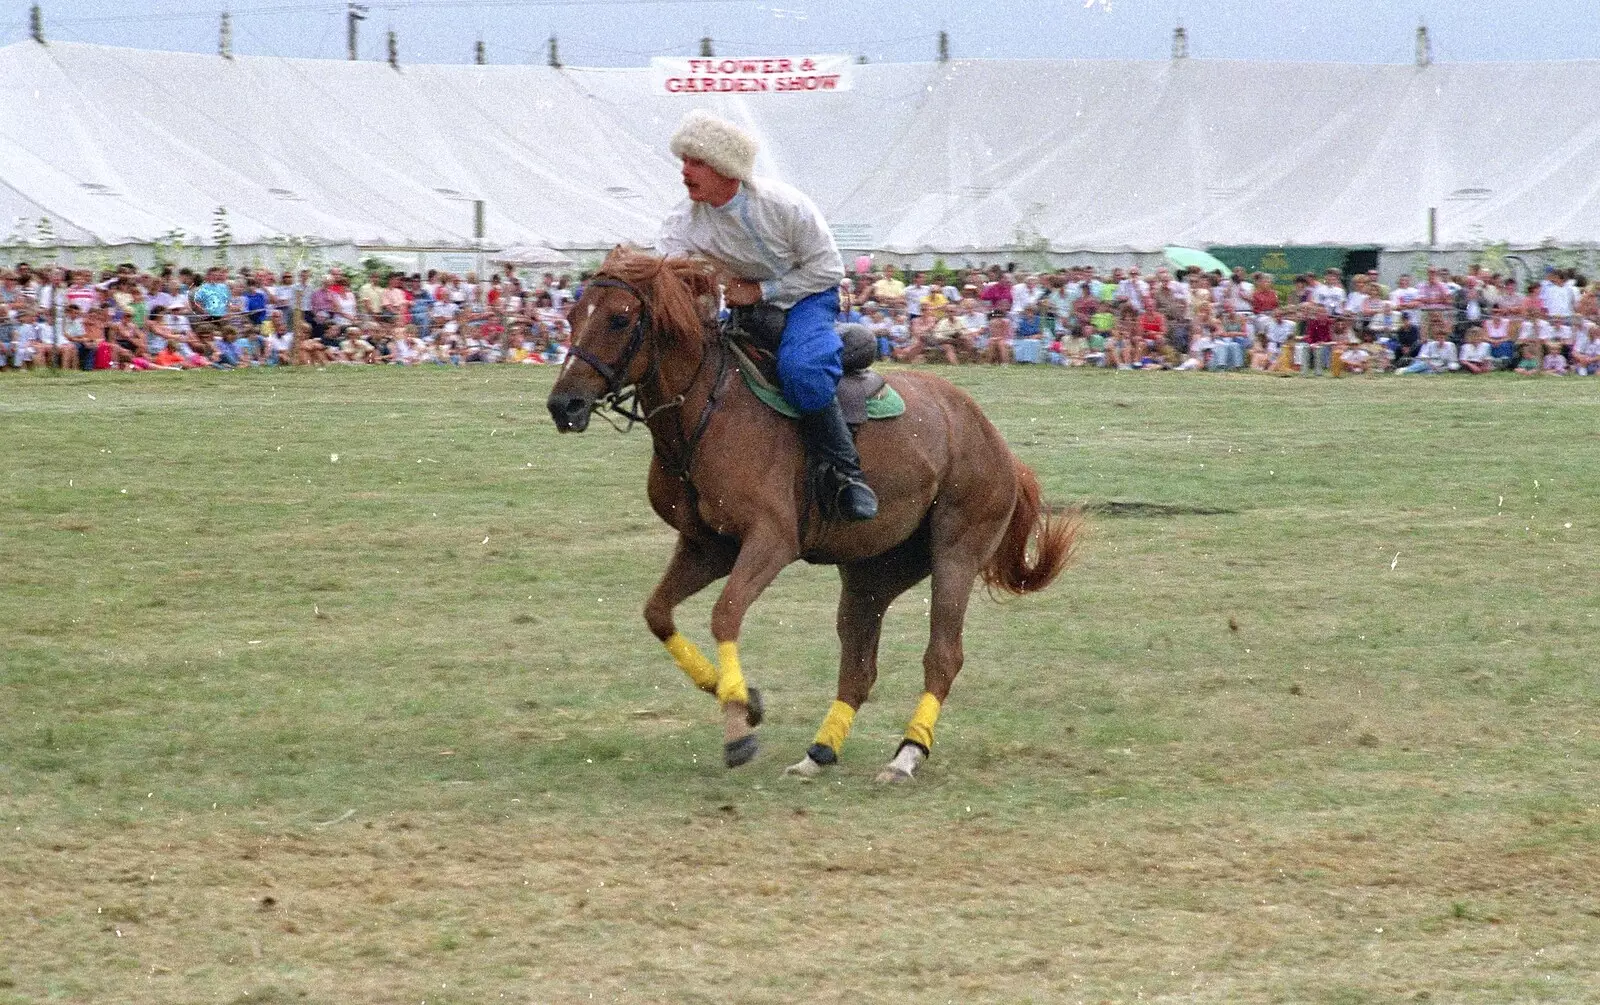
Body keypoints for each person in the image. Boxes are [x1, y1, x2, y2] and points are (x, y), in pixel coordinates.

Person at [657, 109, 876, 521]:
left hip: (810, 296)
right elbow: (678, 283)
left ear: (727, 169)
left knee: (801, 371)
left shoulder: (786, 205)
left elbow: (829, 271)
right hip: (746, 307)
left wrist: (760, 290)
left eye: (696, 161)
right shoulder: (680, 223)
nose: (684, 170)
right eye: (683, 160)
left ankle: (847, 475)